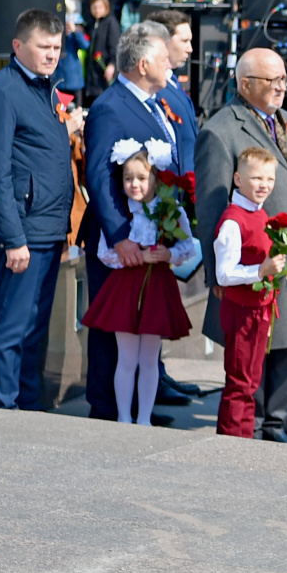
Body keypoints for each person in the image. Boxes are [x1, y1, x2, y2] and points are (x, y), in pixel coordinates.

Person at [196, 47, 287, 443]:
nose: (280, 88)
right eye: (271, 81)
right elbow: (211, 205)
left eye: (283, 79)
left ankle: (278, 416)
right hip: (254, 260)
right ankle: (253, 422)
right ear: (244, 84)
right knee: (255, 345)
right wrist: (215, 273)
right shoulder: (221, 130)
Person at [0, 10, 79, 411]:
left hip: (49, 230)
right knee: (12, 330)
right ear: (18, 46)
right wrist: (13, 238)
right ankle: (4, 410)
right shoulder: (1, 91)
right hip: (24, 233)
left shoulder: (45, 88)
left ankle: (29, 410)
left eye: (56, 47)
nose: (52, 54)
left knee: (35, 331)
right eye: (43, 47)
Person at [79, 26, 184, 422]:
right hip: (120, 244)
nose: (170, 65)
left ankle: (138, 409)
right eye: (163, 59)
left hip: (150, 240)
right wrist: (120, 238)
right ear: (143, 64)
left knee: (141, 328)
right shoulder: (112, 106)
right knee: (114, 327)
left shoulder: (153, 103)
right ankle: (107, 410)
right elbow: (100, 177)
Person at [77, 141, 194, 426]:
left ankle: (143, 418)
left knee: (149, 359)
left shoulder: (170, 210)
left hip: (157, 286)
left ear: (155, 178)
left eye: (141, 178)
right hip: (125, 288)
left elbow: (188, 246)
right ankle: (123, 417)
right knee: (126, 358)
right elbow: (106, 251)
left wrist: (170, 253)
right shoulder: (120, 212)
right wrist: (136, 257)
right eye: (128, 178)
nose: (134, 184)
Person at [210, 148, 287, 440]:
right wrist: (261, 270)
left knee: (251, 380)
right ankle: (232, 440)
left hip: (259, 308)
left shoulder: (260, 214)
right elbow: (224, 274)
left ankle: (244, 439)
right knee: (239, 381)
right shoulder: (234, 221)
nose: (264, 184)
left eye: (269, 178)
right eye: (256, 177)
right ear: (237, 179)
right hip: (241, 310)